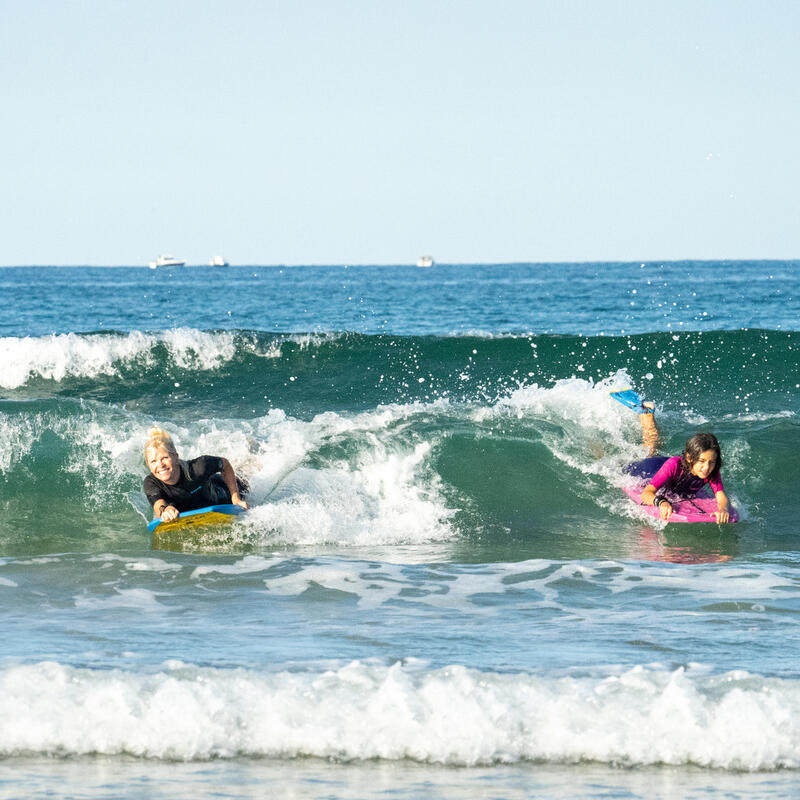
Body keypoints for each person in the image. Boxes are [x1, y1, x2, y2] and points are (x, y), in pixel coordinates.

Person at [615, 391, 731, 524]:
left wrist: (723, 509)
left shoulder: (711, 469)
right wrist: (661, 502)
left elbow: (720, 496)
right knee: (630, 459)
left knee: (653, 448)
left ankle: (647, 413)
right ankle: (645, 414)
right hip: (648, 469)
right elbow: (647, 493)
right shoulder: (675, 465)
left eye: (712, 462)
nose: (707, 467)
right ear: (689, 458)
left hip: (665, 468)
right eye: (702, 461)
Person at [143, 427, 249, 522]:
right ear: (148, 465)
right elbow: (158, 504)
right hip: (196, 506)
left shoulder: (198, 467)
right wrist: (165, 510)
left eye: (165, 458)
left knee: (246, 474)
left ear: (175, 457)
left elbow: (224, 464)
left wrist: (236, 498)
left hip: (223, 494)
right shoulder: (151, 482)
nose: (160, 465)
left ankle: (250, 450)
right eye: (153, 461)